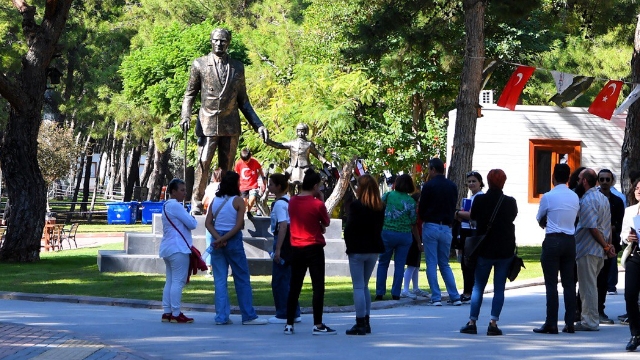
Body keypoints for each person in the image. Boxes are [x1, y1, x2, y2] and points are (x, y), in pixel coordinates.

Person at [181, 28, 269, 214]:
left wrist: (258, 125)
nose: (219, 44)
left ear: (229, 42)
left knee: (227, 169)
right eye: (216, 40)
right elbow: (189, 95)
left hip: (230, 124)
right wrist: (185, 116)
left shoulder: (237, 67)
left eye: (223, 41)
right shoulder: (200, 64)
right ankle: (197, 201)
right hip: (208, 124)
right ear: (211, 41)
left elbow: (244, 101)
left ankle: (226, 202)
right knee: (203, 163)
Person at [460, 169, 518, 336]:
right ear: (503, 182)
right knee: (499, 287)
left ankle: (472, 321)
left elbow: (474, 217)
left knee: (478, 287)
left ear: (487, 181)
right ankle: (493, 323)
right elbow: (512, 217)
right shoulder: (510, 202)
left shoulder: (481, 200)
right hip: (505, 249)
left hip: (484, 247)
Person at [205, 171, 267, 325]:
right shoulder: (238, 201)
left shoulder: (215, 200)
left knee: (219, 280)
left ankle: (221, 317)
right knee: (241, 278)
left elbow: (208, 223)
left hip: (216, 239)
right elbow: (239, 225)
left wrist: (218, 239)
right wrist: (225, 239)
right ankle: (248, 315)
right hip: (232, 240)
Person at [284, 169, 334, 335]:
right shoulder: (317, 204)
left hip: (296, 247)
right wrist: (320, 199)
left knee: (295, 286)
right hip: (313, 246)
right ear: (314, 186)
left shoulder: (292, 201)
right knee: (318, 286)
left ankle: (289, 323)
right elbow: (325, 222)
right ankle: (317, 324)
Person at [532, 164, 579, 334]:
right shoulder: (574, 197)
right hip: (569, 240)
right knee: (569, 284)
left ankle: (551, 322)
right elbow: (576, 217)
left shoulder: (548, 196)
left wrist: (545, 221)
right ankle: (570, 322)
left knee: (551, 284)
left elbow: (539, 217)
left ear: (553, 176)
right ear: (568, 177)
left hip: (552, 239)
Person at [344, 174, 385, 335]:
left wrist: (349, 244)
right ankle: (366, 320)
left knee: (358, 286)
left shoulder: (356, 206)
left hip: (357, 249)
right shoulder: (380, 206)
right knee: (365, 285)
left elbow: (350, 228)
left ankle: (360, 322)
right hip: (374, 248)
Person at [574, 168, 613, 332]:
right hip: (598, 251)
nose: (577, 182)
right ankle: (589, 318)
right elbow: (607, 226)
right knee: (590, 285)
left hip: (588, 249)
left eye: (579, 179)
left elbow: (592, 227)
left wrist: (606, 245)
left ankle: (589, 321)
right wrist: (608, 246)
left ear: (584, 181)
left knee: (587, 286)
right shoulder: (603, 198)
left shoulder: (588, 200)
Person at [419, 158, 462, 306]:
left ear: (433, 169)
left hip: (431, 224)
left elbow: (422, 207)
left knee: (431, 262)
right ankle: (454, 295)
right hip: (446, 227)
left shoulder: (429, 186)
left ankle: (436, 296)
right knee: (444, 263)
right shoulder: (452, 186)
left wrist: (424, 218)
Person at [159, 178, 198, 323]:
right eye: (182, 190)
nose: (184, 193)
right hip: (178, 248)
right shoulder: (175, 206)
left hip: (168, 247)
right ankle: (176, 313)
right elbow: (192, 223)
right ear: (173, 192)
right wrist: (192, 218)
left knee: (170, 280)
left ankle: (167, 311)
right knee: (178, 281)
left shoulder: (166, 206)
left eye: (185, 190)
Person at [375, 174, 417, 301]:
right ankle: (396, 292)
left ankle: (380, 292)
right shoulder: (411, 201)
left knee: (383, 263)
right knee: (400, 264)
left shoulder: (388, 195)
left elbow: (378, 208)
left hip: (387, 232)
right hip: (404, 235)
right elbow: (413, 220)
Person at [267, 173, 301, 324]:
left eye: (271, 184)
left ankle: (283, 313)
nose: (269, 187)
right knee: (289, 278)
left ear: (279, 186)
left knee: (280, 279)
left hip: (283, 241)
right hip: (293, 241)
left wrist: (278, 248)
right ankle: (294, 311)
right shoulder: (290, 200)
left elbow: (282, 225)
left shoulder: (280, 204)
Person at [266, 123, 329, 193]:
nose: (300, 133)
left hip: (305, 168)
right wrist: (269, 141)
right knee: (289, 184)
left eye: (302, 131)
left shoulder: (309, 144)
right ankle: (290, 201)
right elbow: (279, 145)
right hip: (293, 168)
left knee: (303, 187)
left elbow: (317, 154)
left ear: (306, 132)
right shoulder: (292, 143)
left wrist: (325, 162)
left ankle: (301, 201)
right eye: (299, 131)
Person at [595, 169, 624, 324]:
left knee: (604, 279)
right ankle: (586, 309)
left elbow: (618, 225)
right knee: (590, 278)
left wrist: (609, 228)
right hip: (593, 244)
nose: (605, 182)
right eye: (602, 179)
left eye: (608, 179)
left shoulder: (617, 201)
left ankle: (600, 309)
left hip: (610, 245)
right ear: (598, 181)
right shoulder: (594, 199)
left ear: (612, 181)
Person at [454, 171, 485, 304]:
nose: (471, 184)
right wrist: (460, 214)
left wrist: (458, 212)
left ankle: (469, 292)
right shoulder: (470, 198)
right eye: (469, 181)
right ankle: (468, 290)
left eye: (474, 181)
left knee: (469, 263)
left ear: (480, 183)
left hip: (474, 233)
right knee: (464, 263)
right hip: (465, 230)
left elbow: (472, 215)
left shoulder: (480, 197)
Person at [621, 178, 640, 351]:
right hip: (635, 256)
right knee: (630, 296)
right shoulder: (630, 211)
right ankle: (635, 333)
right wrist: (628, 237)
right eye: (637, 188)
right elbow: (623, 234)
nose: (639, 191)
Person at [400, 192, 428, 300]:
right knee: (412, 264)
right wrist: (418, 242)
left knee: (416, 265)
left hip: (418, 237)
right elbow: (414, 226)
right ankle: (405, 289)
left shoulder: (419, 211)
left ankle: (415, 287)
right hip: (414, 237)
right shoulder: (415, 212)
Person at [201, 168, 222, 276]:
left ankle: (209, 268)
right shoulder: (225, 187)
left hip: (211, 216)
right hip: (222, 218)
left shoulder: (210, 187)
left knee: (210, 241)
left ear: (213, 176)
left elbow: (204, 201)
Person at [234, 148, 265, 218]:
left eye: (248, 160)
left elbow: (260, 169)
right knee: (243, 201)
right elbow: (236, 173)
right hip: (243, 185)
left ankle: (248, 211)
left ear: (250, 157)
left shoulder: (254, 161)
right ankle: (242, 213)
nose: (246, 162)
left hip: (253, 185)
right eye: (244, 161)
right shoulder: (238, 163)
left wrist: (263, 178)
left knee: (252, 199)